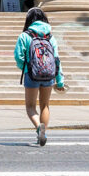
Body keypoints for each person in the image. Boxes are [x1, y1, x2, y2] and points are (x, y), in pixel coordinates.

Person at [14, 8, 66, 147]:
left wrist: (25, 68)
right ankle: (43, 133)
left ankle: (38, 128)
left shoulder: (25, 36)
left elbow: (18, 57)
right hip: (48, 75)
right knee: (45, 105)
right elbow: (56, 59)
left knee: (30, 107)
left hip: (31, 74)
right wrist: (60, 81)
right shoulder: (50, 37)